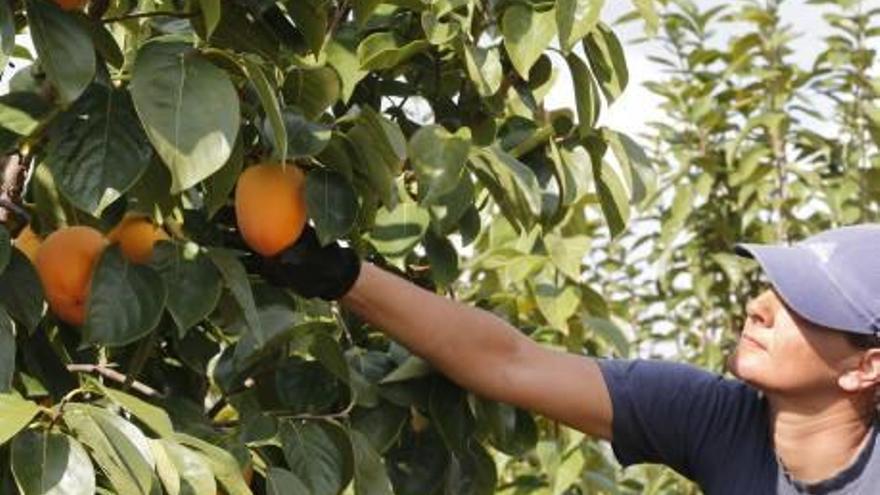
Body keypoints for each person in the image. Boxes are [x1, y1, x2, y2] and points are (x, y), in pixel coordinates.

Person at [255, 223, 880, 494]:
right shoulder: (717, 419)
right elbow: (509, 362)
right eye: (770, 286)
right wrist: (339, 275)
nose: (759, 308)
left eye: (804, 306)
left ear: (865, 368)